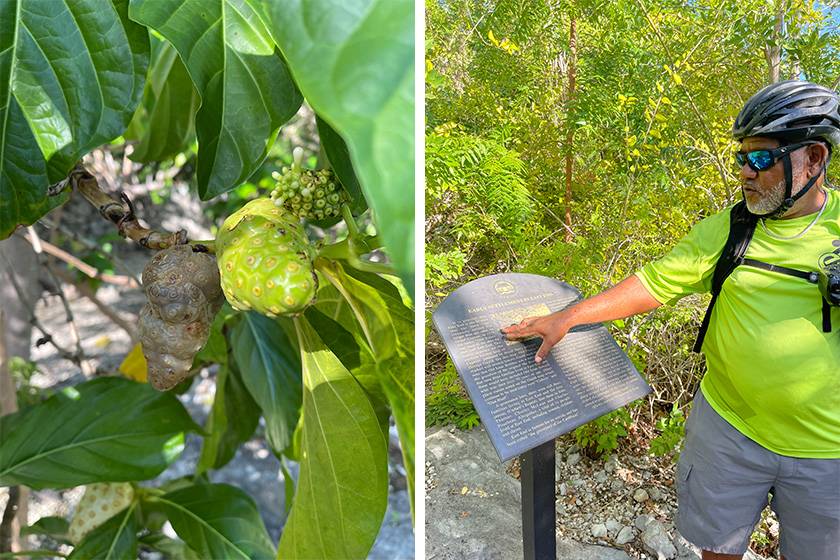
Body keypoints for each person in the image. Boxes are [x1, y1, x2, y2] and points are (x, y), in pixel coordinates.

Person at [502, 80, 840, 560]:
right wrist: (567, 317)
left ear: (814, 159)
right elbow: (654, 283)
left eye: (761, 158)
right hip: (728, 426)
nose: (745, 171)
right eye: (741, 157)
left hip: (827, 451)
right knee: (716, 549)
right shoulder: (731, 228)